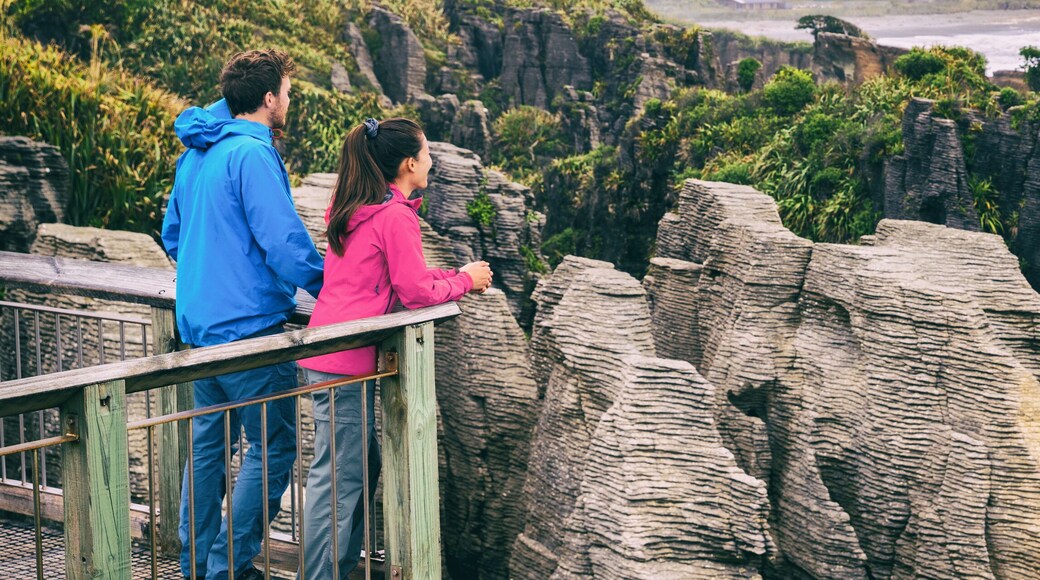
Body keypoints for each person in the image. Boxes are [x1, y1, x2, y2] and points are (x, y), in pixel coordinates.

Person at [297, 117, 492, 578]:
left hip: (328, 353)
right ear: (408, 163)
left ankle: (338, 568)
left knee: (352, 469)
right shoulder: (396, 215)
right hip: (345, 362)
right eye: (426, 154)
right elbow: (415, 291)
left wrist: (458, 278)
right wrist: (465, 280)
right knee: (341, 479)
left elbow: (407, 280)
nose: (432, 161)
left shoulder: (356, 205)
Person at [161, 49, 324, 580]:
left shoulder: (197, 152)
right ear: (269, 98)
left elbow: (173, 238)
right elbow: (283, 244)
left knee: (208, 450)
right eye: (288, 93)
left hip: (201, 332)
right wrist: (329, 286)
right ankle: (229, 566)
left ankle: (195, 565)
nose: (290, 102)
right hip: (252, 332)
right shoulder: (251, 154)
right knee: (273, 447)